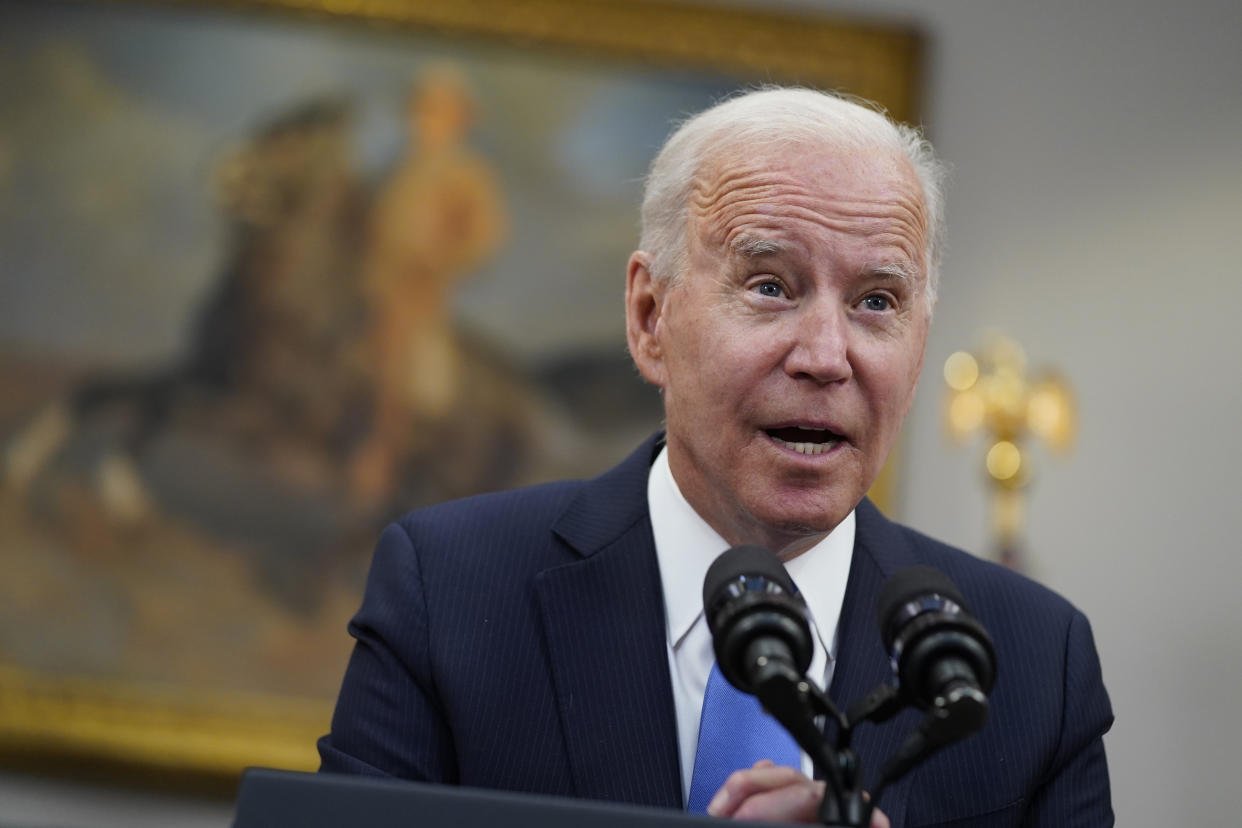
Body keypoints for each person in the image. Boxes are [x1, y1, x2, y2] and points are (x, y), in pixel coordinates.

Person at [318, 87, 1114, 826]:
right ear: (649, 316)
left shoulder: (1033, 667)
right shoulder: (450, 591)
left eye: (877, 302)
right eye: (771, 285)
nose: (827, 356)